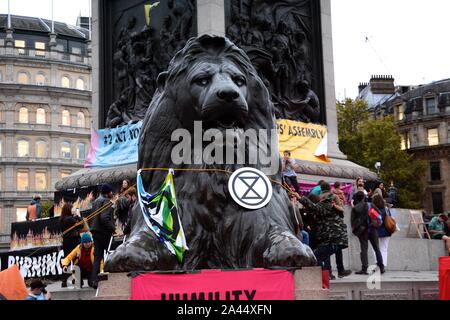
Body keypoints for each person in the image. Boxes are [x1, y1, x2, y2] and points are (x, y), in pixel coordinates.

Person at [299, 185, 351, 280]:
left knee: (316, 258)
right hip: (334, 239)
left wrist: (299, 198)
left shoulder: (324, 206)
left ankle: (323, 278)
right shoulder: (332, 208)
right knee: (320, 257)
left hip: (329, 239)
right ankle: (327, 276)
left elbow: (313, 208)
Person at [89, 184, 117, 289]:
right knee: (112, 253)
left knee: (98, 256)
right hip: (103, 232)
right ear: (107, 192)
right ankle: (112, 276)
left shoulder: (96, 201)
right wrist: (113, 229)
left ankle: (94, 280)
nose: (112, 194)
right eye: (111, 192)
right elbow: (104, 218)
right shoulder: (106, 201)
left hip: (95, 231)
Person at [351, 191, 384, 275]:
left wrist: (356, 231)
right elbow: (379, 214)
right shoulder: (370, 204)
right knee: (377, 249)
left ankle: (364, 268)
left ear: (356, 198)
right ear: (363, 197)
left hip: (362, 231)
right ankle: (381, 267)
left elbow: (352, 222)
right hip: (372, 229)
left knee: (364, 249)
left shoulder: (355, 208)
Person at [59, 203, 83, 288]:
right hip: (74, 240)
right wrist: (78, 215)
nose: (73, 209)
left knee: (67, 260)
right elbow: (81, 225)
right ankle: (77, 280)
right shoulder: (70, 219)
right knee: (77, 260)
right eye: (72, 208)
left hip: (66, 241)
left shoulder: (62, 219)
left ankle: (64, 281)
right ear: (69, 209)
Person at [372, 194, 390, 272]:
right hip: (386, 230)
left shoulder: (373, 209)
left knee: (375, 249)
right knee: (384, 248)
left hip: (376, 230)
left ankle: (378, 264)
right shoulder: (386, 209)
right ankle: (383, 265)